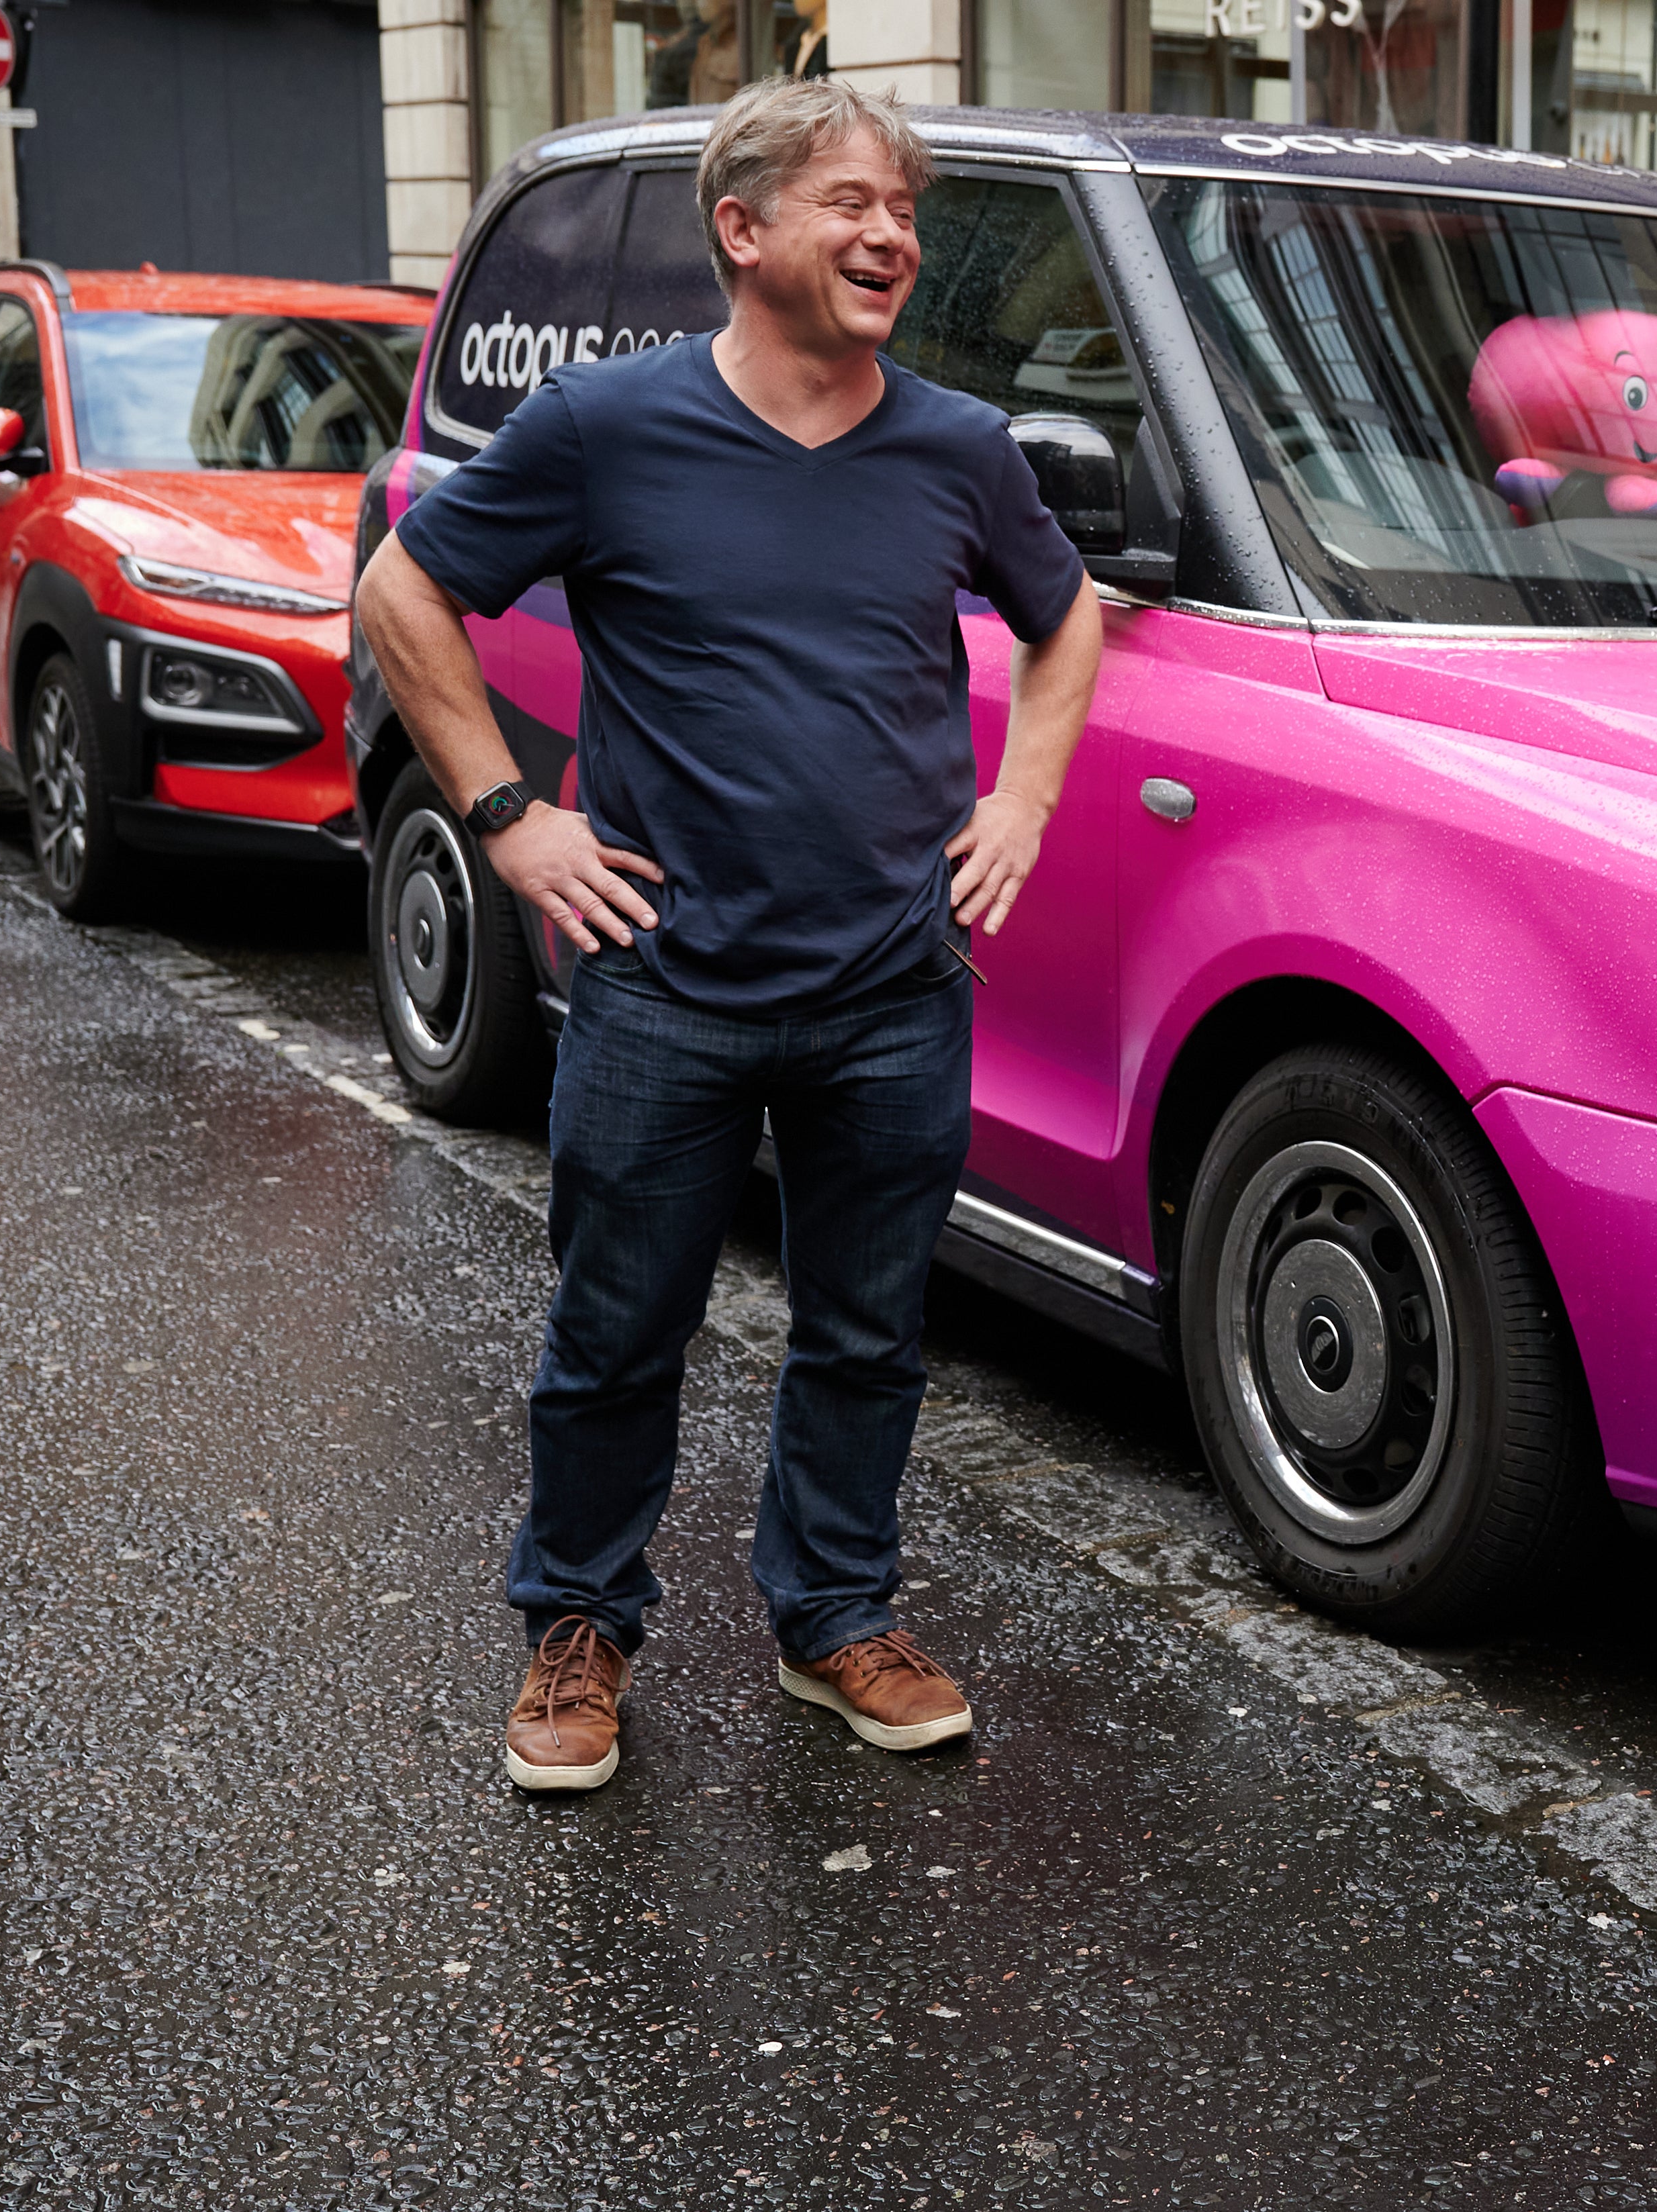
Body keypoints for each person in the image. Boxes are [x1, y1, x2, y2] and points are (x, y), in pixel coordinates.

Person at [357, 78, 1102, 1792]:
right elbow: (408, 590)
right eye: (850, 201)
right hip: (665, 989)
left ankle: (834, 1613)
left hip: (893, 987)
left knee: (868, 1331)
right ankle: (579, 1626)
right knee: (616, 1330)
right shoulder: (604, 430)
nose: (891, 235)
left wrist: (1022, 803)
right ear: (743, 229)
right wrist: (507, 817)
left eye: (903, 210)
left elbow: (1066, 631)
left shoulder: (959, 449)